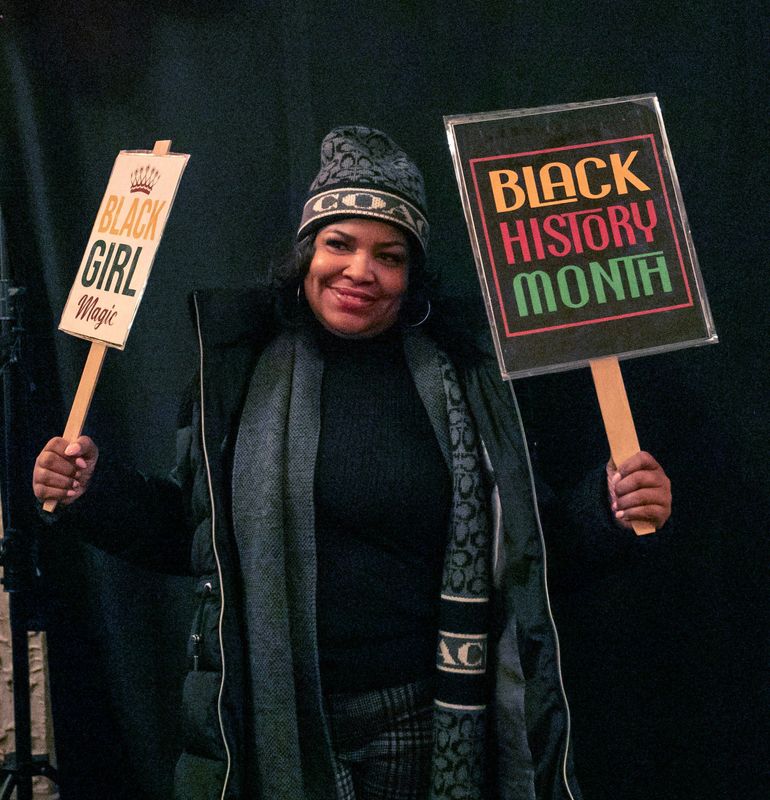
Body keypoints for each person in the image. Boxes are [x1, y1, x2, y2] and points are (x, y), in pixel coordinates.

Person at [33, 126, 671, 800]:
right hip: (268, 714)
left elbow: (527, 556)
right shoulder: (238, 371)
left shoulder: (469, 379)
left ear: (410, 274)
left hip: (420, 721)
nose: (360, 271)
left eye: (388, 255)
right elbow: (192, 536)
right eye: (340, 243)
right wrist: (90, 493)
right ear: (307, 253)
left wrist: (611, 511)